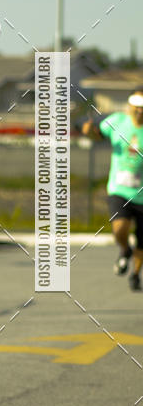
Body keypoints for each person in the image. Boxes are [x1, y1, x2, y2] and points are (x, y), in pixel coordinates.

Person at [82, 87, 143, 290]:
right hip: (120, 190)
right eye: (137, 106)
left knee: (142, 241)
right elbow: (97, 135)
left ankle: (135, 274)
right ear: (130, 106)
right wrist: (89, 131)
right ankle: (125, 249)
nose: (140, 111)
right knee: (119, 228)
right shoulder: (117, 121)